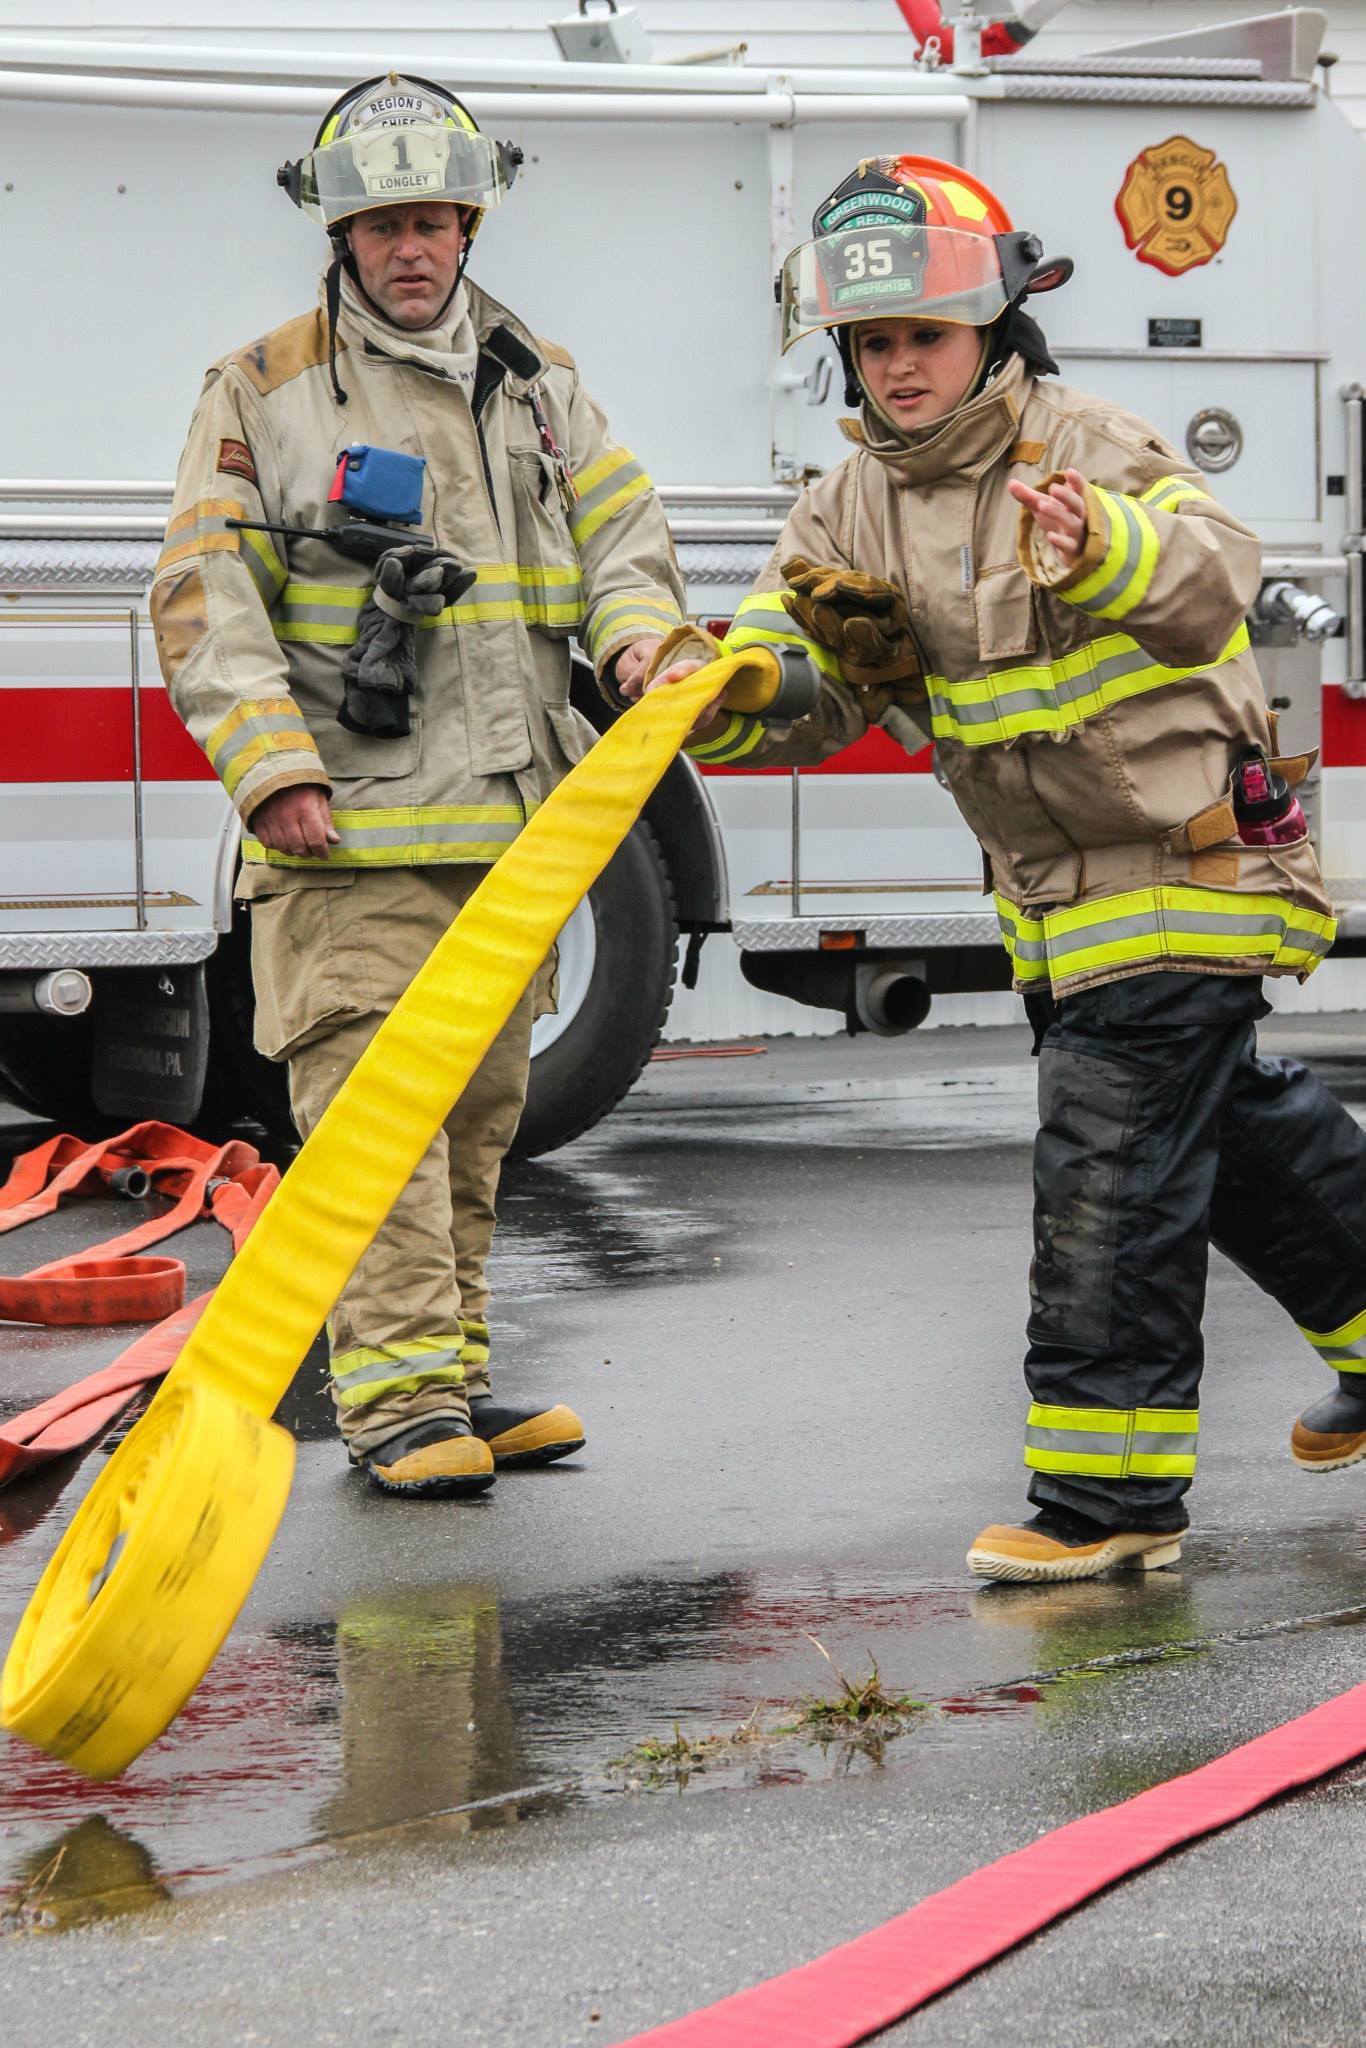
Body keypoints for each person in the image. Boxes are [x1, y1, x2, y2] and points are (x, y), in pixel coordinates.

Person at [636, 155, 1366, 1582]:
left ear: (993, 328)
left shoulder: (1082, 444)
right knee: (1220, 1143)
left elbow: (1215, 573)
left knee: (1107, 1169)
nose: (898, 365)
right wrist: (739, 686)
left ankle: (1106, 1507)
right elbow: (816, 683)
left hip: (1183, 871)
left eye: (924, 333)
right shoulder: (844, 507)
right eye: (874, 341)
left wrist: (1106, 546)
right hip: (1055, 902)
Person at [152, 74, 685, 1498]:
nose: (412, 248)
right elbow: (205, 596)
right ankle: (392, 1413)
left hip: (510, 843)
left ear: (469, 221)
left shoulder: (536, 379)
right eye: (383, 223)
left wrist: (639, 634)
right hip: (353, 843)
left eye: (434, 221)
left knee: (475, 1114)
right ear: (340, 231)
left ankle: (446, 1376)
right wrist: (272, 775)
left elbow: (626, 532)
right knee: (375, 1126)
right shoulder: (264, 390)